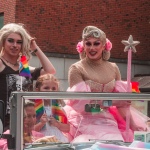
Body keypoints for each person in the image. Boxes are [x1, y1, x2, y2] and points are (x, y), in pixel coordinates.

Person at [64, 25, 148, 143]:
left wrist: (133, 125)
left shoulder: (113, 68)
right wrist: (112, 102)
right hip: (84, 122)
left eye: (96, 43)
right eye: (88, 44)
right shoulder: (76, 69)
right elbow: (85, 108)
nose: (92, 48)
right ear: (83, 46)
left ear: (104, 45)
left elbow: (122, 105)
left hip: (108, 121)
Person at [0, 23, 56, 130]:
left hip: (24, 124)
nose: (15, 45)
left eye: (19, 42)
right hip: (3, 125)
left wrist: (34, 47)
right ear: (3, 42)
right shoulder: (1, 63)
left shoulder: (22, 65)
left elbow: (50, 71)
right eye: (10, 40)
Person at [34, 73, 69, 143]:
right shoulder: (34, 109)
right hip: (41, 140)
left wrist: (57, 124)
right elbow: (29, 130)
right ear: (37, 90)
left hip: (57, 139)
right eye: (46, 88)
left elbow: (67, 128)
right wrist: (41, 123)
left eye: (53, 88)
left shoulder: (59, 108)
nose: (50, 90)